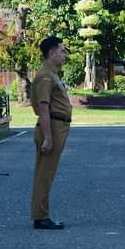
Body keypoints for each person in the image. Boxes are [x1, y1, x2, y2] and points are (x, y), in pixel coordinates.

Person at [31, 36, 72, 229]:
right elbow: (43, 107)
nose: (64, 55)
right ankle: (40, 217)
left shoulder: (53, 74)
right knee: (44, 174)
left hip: (58, 126)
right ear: (51, 53)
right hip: (52, 127)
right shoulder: (46, 76)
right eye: (62, 51)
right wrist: (48, 138)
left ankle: (41, 215)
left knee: (47, 173)